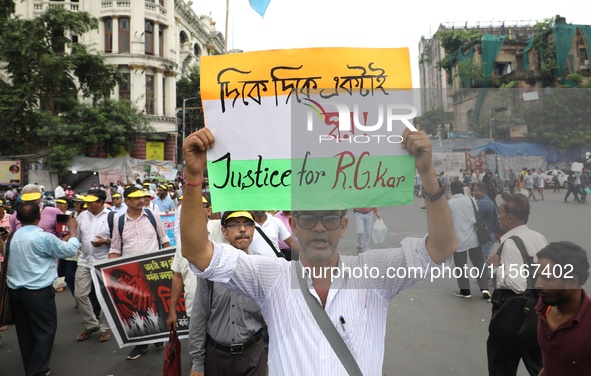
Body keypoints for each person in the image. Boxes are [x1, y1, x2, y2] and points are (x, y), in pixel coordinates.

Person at [180, 128, 457, 375]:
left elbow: (441, 248)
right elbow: (198, 253)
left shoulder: (373, 274)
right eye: (310, 219)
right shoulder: (271, 276)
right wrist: (193, 177)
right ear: (295, 227)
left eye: (330, 219)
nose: (320, 228)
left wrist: (427, 172)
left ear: (343, 226)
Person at [6, 202, 79, 376]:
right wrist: (73, 231)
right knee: (45, 331)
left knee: (25, 333)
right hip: (38, 293)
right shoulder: (43, 237)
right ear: (39, 217)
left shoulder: (12, 237)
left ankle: (32, 367)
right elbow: (69, 251)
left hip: (16, 292)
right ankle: (37, 371)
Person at [190, 211, 267, 376]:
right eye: (235, 224)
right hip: (217, 356)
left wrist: (271, 352)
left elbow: (273, 318)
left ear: (254, 229)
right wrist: (197, 363)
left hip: (253, 354)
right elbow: (200, 314)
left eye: (247, 224)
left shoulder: (264, 267)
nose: (242, 229)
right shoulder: (211, 268)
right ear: (224, 231)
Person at [486, 193, 548, 376]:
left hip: (513, 315)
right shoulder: (538, 237)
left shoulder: (511, 244)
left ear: (510, 217)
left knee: (501, 366)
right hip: (538, 312)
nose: (498, 216)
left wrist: (498, 268)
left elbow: (518, 284)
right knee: (540, 367)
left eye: (500, 212)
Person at [108, 186, 170, 360]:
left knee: (154, 305)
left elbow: (164, 239)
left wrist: (169, 266)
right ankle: (140, 344)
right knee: (135, 308)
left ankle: (158, 336)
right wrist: (108, 273)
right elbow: (115, 248)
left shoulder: (152, 215)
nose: (140, 200)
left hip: (152, 269)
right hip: (129, 273)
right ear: (126, 201)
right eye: (135, 198)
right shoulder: (119, 221)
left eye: (142, 197)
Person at [167, 195, 225, 374]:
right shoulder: (183, 241)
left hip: (222, 310)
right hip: (195, 311)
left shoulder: (223, 230)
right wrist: (172, 310)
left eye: (198, 206)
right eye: (187, 207)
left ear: (209, 210)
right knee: (198, 357)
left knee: (224, 358)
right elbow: (178, 276)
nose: (192, 210)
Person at [535, 241, 591, 376]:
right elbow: (552, 362)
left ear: (572, 281)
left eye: (546, 278)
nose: (537, 284)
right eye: (538, 275)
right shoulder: (544, 307)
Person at [74, 189, 112, 343]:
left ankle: (105, 328)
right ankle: (91, 324)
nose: (87, 204)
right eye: (87, 201)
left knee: (104, 296)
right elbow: (76, 236)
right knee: (80, 294)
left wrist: (106, 241)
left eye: (91, 202)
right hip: (84, 260)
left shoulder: (112, 216)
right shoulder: (82, 216)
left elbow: (118, 239)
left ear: (101, 202)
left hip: (103, 261)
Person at [448, 181, 490, 299]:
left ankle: (466, 292)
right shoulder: (471, 200)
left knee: (461, 267)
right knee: (479, 264)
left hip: (458, 241)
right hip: (473, 238)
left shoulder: (449, 204)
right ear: (463, 189)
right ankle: (484, 289)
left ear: (452, 190)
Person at [472, 183, 498, 262]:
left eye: (475, 191)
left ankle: (489, 274)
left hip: (487, 235)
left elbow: (476, 219)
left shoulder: (483, 204)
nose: (473, 192)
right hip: (490, 234)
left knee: (486, 260)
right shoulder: (487, 201)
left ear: (481, 191)